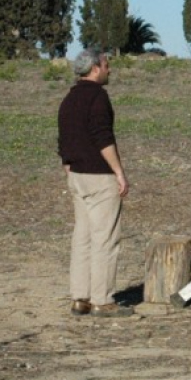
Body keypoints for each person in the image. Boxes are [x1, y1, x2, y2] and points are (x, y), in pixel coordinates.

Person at [57, 48, 133, 318]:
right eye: (106, 65)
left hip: (77, 176)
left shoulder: (69, 98)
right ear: (95, 68)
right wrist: (119, 172)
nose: (109, 69)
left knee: (83, 237)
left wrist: (68, 165)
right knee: (105, 239)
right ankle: (102, 300)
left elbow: (64, 136)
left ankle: (80, 298)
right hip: (99, 177)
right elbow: (103, 138)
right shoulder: (98, 97)